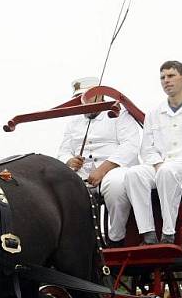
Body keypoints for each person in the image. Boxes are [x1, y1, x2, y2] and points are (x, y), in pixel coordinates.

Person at [125, 61, 182, 244]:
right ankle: (148, 233)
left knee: (168, 172)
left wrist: (177, 162)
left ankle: (168, 233)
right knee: (133, 174)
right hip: (160, 165)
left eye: (171, 76)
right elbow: (147, 148)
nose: (166, 81)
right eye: (162, 77)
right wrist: (158, 163)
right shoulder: (154, 112)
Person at [57, 77, 141, 246]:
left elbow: (130, 146)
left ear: (100, 96)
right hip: (83, 174)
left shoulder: (119, 114)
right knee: (60, 190)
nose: (83, 101)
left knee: (115, 185)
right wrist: (70, 160)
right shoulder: (73, 122)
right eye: (80, 97)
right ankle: (79, 242)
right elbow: (63, 151)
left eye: (87, 96)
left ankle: (116, 237)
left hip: (116, 169)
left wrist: (103, 169)